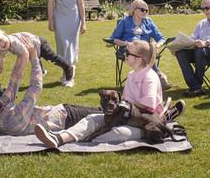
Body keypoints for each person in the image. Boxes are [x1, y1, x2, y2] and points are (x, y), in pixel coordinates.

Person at [33, 40, 186, 147]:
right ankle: (59, 138)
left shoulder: (149, 77)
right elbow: (126, 102)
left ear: (139, 60)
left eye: (128, 53)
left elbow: (149, 106)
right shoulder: (133, 75)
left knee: (117, 132)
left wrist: (123, 104)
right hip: (125, 117)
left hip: (144, 123)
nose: (124, 55)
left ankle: (88, 139)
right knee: (92, 119)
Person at [0, 28, 98, 135]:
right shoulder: (13, 119)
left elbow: (12, 86)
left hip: (62, 110)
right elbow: (35, 88)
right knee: (106, 115)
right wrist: (34, 57)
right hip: (67, 118)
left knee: (103, 110)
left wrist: (20, 63)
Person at [109, 0, 172, 90]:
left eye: (146, 10)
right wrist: (126, 44)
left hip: (145, 51)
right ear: (134, 9)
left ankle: (149, 81)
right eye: (142, 10)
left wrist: (156, 46)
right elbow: (114, 38)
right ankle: (158, 78)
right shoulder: (125, 21)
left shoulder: (149, 22)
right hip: (128, 51)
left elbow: (161, 38)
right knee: (146, 52)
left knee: (147, 51)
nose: (145, 12)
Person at [0, 28, 75, 87]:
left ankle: (69, 68)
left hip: (40, 45)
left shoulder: (15, 43)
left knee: (53, 59)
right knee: (35, 58)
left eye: (1, 40)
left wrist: (20, 72)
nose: (1, 45)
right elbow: (0, 56)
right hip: (34, 49)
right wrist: (0, 66)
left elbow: (25, 55)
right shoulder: (3, 47)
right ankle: (42, 71)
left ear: (5, 34)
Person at [47, 0, 86, 87]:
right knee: (62, 45)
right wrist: (50, 20)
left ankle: (68, 76)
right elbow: (51, 2)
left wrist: (84, 22)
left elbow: (80, 4)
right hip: (59, 18)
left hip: (74, 19)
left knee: (71, 46)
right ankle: (67, 69)